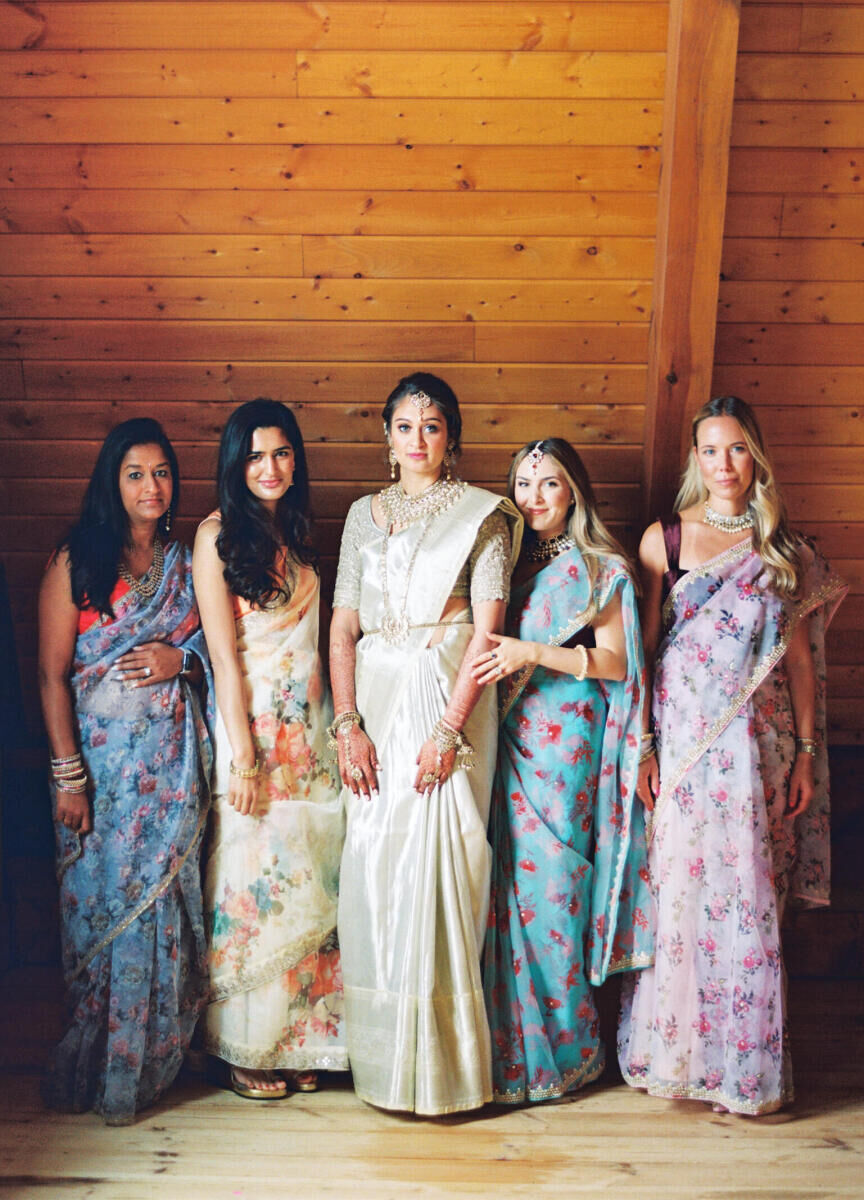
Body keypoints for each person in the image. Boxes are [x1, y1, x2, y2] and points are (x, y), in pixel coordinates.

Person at [618, 396, 847, 1116]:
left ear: (757, 458)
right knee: (684, 898)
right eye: (711, 450)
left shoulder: (787, 550)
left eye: (738, 449)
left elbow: (803, 663)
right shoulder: (667, 541)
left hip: (760, 749)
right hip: (685, 750)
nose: (724, 465)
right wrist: (646, 747)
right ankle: (678, 1060)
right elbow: (643, 656)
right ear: (695, 459)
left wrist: (807, 753)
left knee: (748, 899)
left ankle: (743, 1074)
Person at [329, 371, 522, 1115]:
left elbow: (487, 632)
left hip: (449, 702)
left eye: (432, 425)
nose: (418, 440)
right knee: (375, 870)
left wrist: (448, 730)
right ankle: (383, 1069)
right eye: (405, 426)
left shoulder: (484, 518)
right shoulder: (359, 516)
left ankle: (444, 1073)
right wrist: (347, 725)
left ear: (452, 437)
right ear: (386, 438)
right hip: (374, 707)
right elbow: (344, 628)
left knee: (442, 869)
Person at [38, 418, 212, 1125]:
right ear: (114, 480)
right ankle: (101, 1058)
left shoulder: (188, 563)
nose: (152, 486)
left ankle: (157, 1059)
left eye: (162, 472)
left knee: (165, 910)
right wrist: (68, 775)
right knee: (100, 916)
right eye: (136, 473)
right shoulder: (76, 560)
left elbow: (221, 650)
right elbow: (52, 678)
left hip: (171, 782)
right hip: (102, 788)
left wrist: (183, 660)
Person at [471, 438, 653, 1104]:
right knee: (506, 893)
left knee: (555, 887)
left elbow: (616, 664)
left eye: (550, 483)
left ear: (573, 489)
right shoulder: (508, 562)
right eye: (524, 483)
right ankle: (512, 1054)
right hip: (509, 735)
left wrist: (534, 652)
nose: (535, 497)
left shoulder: (599, 566)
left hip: (567, 741)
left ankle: (568, 1056)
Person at [193, 398, 345, 1100]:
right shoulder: (216, 536)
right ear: (235, 464)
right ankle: (246, 1046)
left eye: (282, 453)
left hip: (308, 735)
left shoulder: (304, 534)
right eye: (255, 455)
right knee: (252, 887)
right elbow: (224, 659)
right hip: (253, 735)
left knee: (309, 887)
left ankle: (298, 1039)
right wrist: (245, 760)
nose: (271, 467)